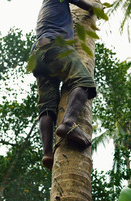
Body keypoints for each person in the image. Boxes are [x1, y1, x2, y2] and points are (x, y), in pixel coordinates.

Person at [31, 0, 101, 170]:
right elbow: (87, 6)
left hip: (37, 54)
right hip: (54, 46)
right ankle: (68, 124)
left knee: (47, 107)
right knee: (83, 81)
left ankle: (47, 153)